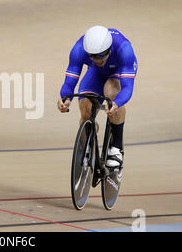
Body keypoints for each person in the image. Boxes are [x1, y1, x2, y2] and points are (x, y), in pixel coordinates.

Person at [57, 25, 138, 168]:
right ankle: (89, 142)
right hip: (96, 73)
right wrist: (65, 98)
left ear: (109, 50)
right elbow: (70, 80)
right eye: (92, 56)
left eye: (101, 56)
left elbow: (127, 87)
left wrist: (117, 103)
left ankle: (116, 147)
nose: (97, 60)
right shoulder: (78, 49)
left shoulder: (124, 50)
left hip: (118, 71)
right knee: (85, 108)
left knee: (111, 91)